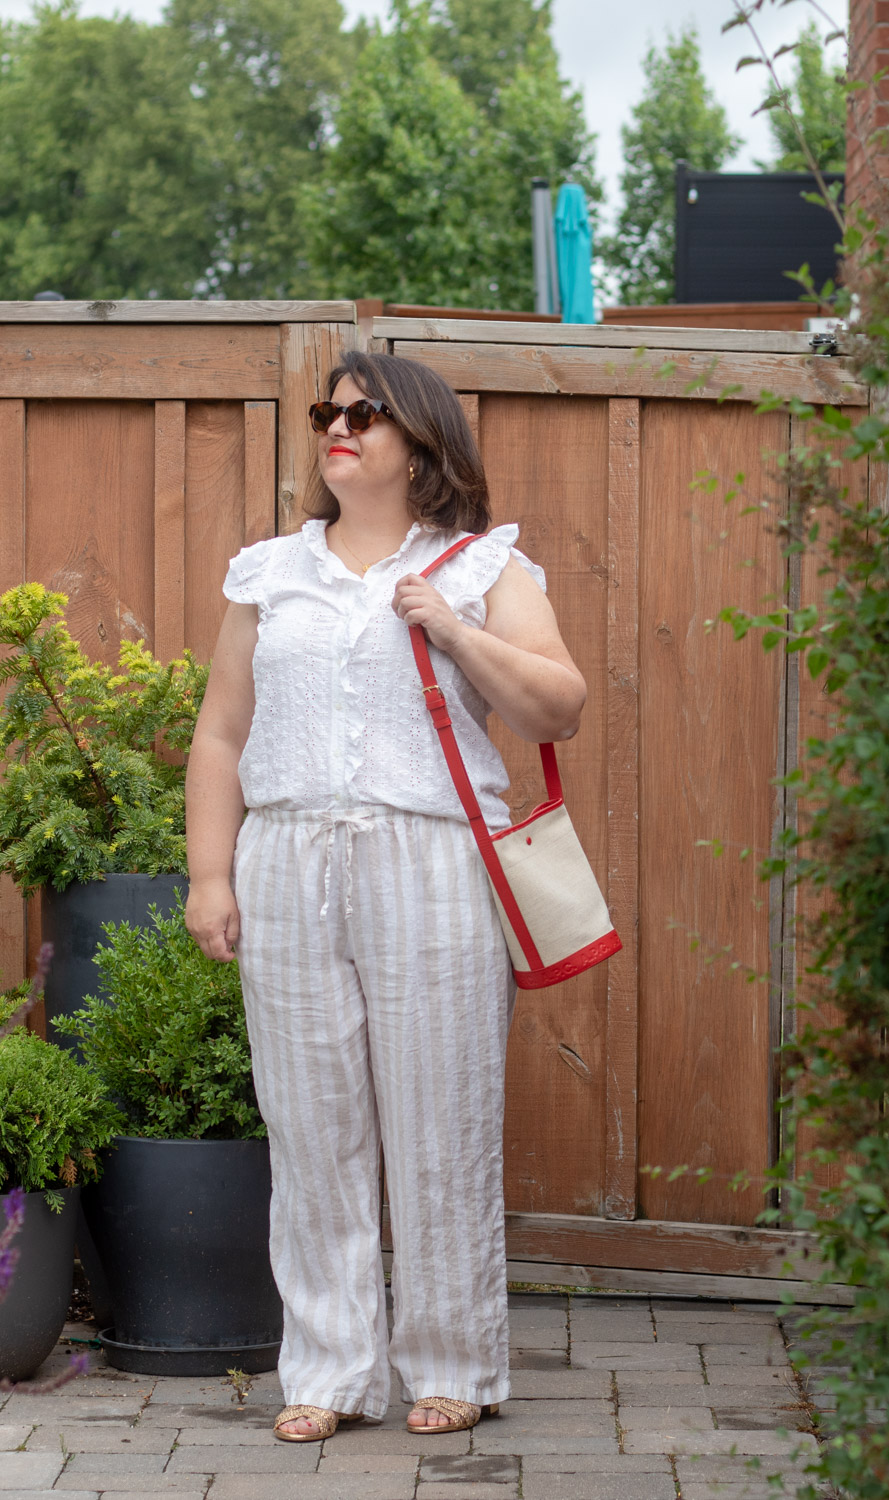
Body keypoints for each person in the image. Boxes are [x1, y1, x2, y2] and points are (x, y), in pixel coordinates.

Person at [184, 351, 586, 1443]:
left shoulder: (481, 568)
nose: (339, 426)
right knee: (309, 1123)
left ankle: (453, 1361)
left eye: (365, 413)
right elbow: (221, 733)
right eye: (330, 410)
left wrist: (452, 628)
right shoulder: (270, 573)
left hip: (431, 863)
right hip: (288, 858)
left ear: (422, 441)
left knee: (439, 1120)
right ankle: (330, 1371)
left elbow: (558, 706)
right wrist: (211, 875)